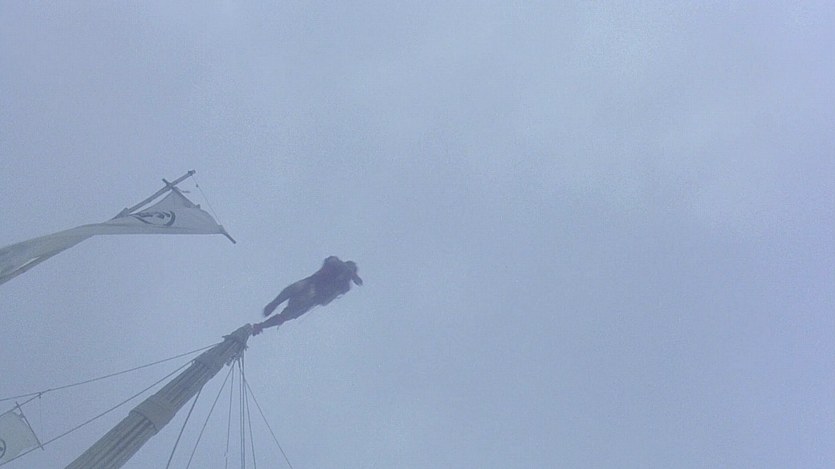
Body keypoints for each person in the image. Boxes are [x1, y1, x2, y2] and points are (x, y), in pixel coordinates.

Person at [253, 256, 362, 335]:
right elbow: (331, 261)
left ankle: (261, 325)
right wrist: (350, 273)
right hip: (310, 285)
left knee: (286, 315)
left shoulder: (344, 286)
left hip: (312, 299)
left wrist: (349, 276)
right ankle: (272, 306)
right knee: (290, 292)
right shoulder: (336, 263)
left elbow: (332, 295)